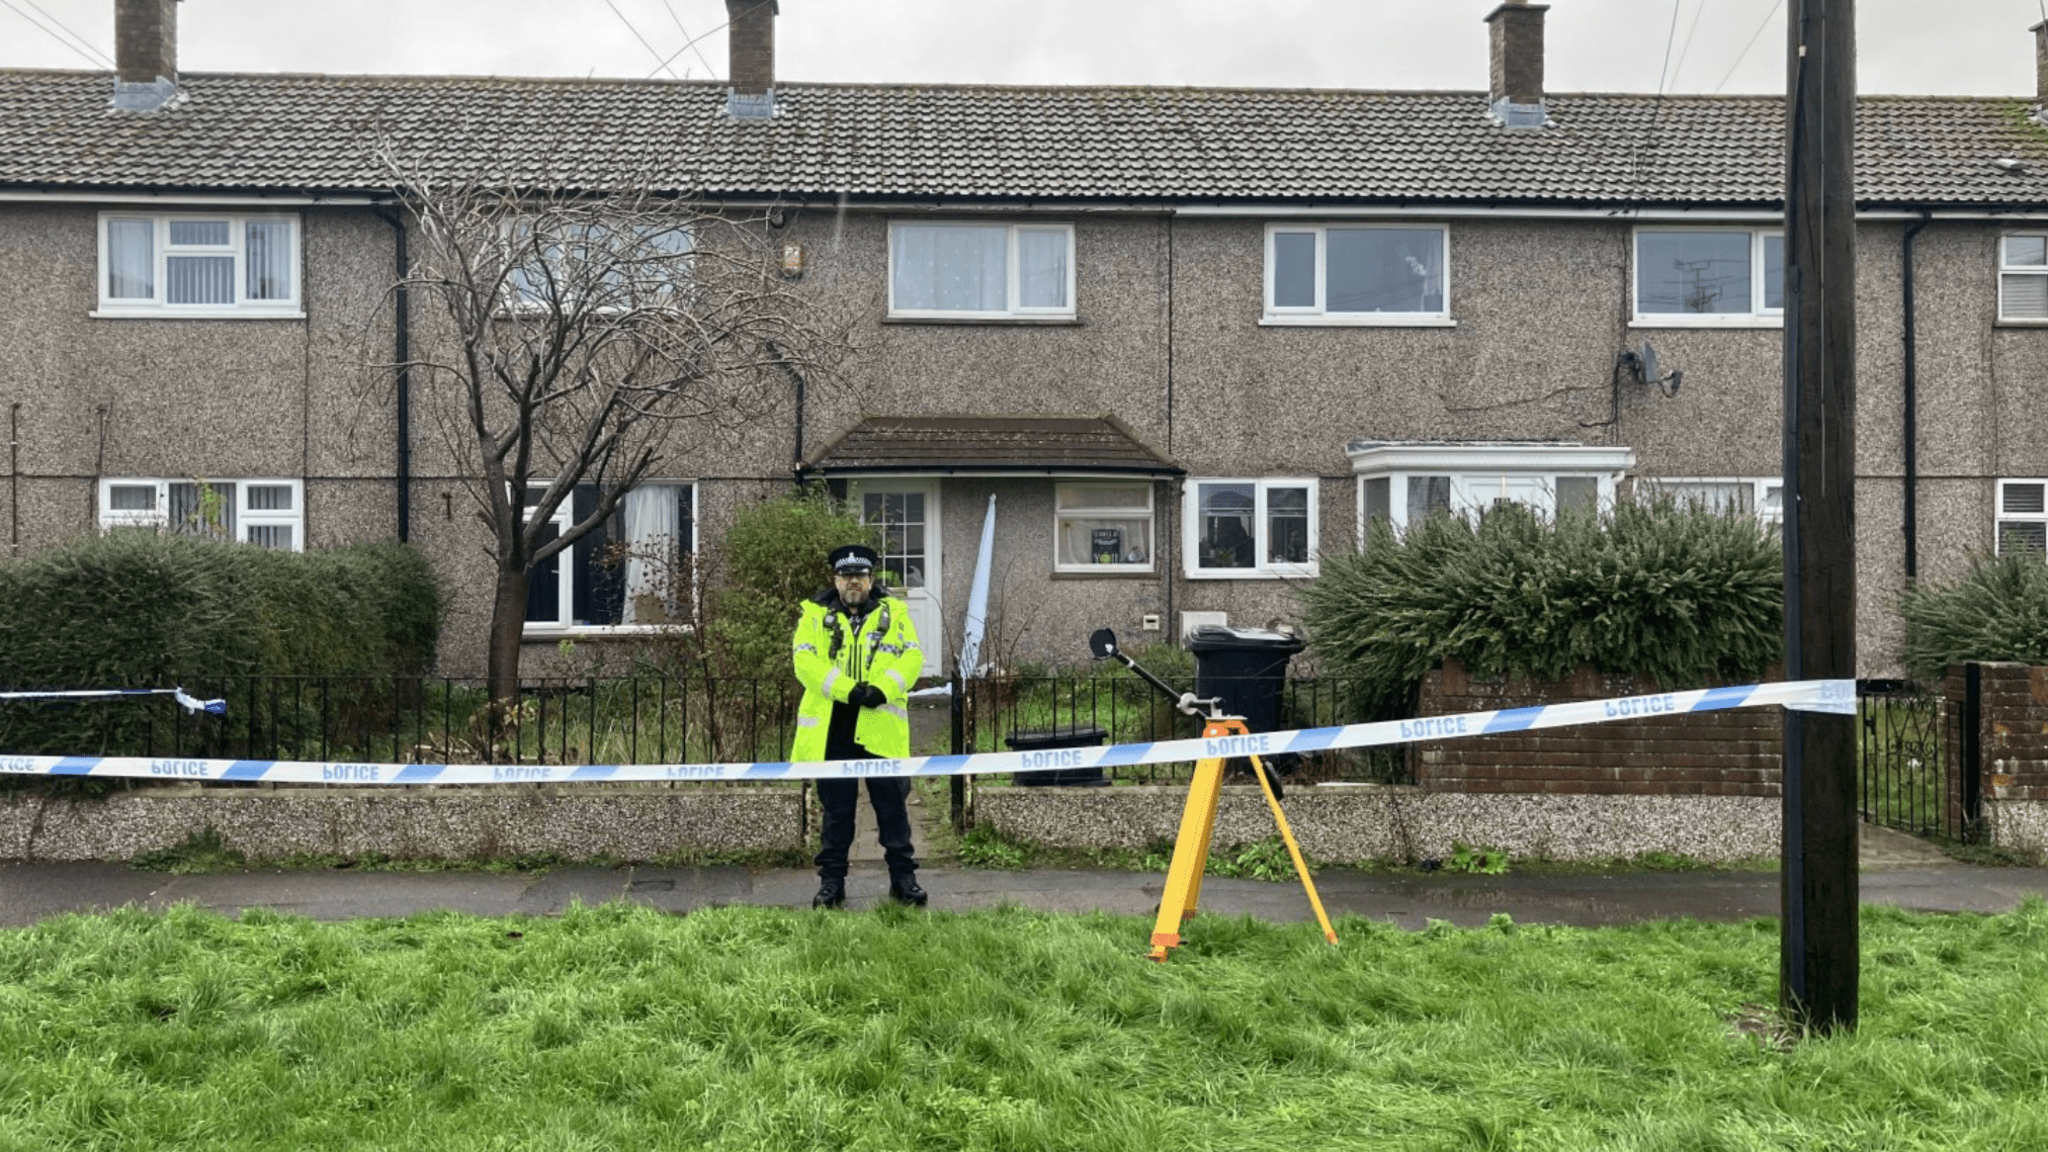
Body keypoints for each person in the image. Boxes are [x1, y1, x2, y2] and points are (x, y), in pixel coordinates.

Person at [790, 543, 927, 909]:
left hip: (880, 722)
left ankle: (904, 881)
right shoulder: (813, 615)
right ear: (836, 580)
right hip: (833, 726)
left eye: (861, 576)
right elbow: (805, 664)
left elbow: (912, 657)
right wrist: (848, 690)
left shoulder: (894, 613)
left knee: (892, 808)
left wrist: (882, 689)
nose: (854, 582)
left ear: (870, 580)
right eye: (847, 576)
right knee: (837, 812)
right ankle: (831, 884)